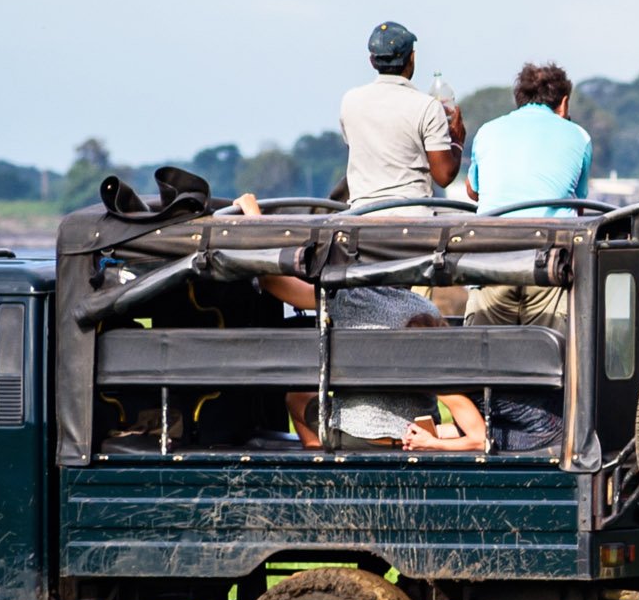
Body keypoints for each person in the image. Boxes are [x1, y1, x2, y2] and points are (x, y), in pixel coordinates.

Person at [234, 193, 565, 452]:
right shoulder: (424, 308)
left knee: (297, 398)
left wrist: (254, 219)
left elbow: (277, 283)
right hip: (423, 429)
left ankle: (320, 461)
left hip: (367, 436)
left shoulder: (351, 298)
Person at [461, 62, 593, 328]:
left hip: (490, 259)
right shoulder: (579, 136)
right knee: (554, 360)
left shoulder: (487, 131)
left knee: (482, 359)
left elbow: (473, 191)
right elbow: (577, 205)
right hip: (549, 264)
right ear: (564, 103)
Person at [340, 21, 468, 214]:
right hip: (412, 217)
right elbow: (444, 176)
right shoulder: (427, 106)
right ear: (412, 58)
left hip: (361, 215)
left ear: (372, 61)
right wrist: (457, 141)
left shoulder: (350, 101)